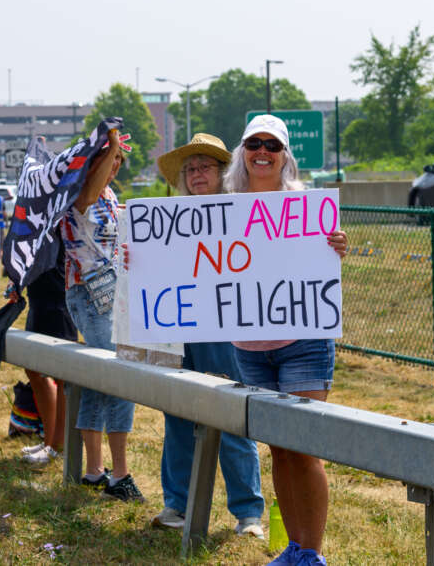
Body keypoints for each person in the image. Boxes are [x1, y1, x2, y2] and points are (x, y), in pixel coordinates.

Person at [223, 115, 348, 566]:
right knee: (278, 447)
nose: (262, 152)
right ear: (242, 151)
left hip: (304, 342)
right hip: (249, 349)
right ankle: (294, 549)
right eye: (253, 143)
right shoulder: (225, 207)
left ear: (284, 155)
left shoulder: (307, 206)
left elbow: (320, 261)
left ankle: (312, 554)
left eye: (271, 145)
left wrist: (336, 244)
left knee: (304, 446)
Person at [147, 133, 265, 537]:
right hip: (177, 327)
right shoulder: (167, 220)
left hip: (226, 326)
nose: (197, 174)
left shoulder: (243, 212)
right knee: (177, 412)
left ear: (222, 172)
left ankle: (248, 513)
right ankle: (177, 505)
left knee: (230, 411)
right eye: (190, 169)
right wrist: (134, 258)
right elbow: (152, 268)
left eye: (205, 167)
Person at [59, 129, 142, 502]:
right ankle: (120, 474)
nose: (114, 168)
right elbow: (87, 195)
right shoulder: (78, 193)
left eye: (118, 162)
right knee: (121, 377)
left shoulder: (111, 195)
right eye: (108, 161)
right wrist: (108, 146)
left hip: (115, 293)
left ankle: (94, 471)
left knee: (97, 379)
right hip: (88, 293)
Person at [18, 246, 76, 466]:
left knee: (61, 373)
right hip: (37, 291)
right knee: (33, 368)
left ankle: (57, 446)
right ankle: (49, 438)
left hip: (60, 291)